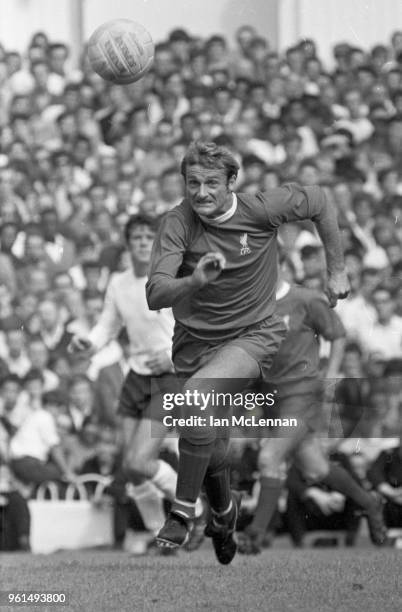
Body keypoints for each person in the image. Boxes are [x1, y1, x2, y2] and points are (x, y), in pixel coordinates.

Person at [146, 141, 350, 564]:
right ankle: (223, 512)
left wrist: (337, 268)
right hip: (194, 347)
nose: (200, 193)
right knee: (208, 442)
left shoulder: (260, 209)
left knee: (195, 401)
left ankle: (183, 511)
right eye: (192, 183)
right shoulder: (177, 222)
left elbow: (320, 200)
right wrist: (194, 281)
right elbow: (155, 293)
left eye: (211, 184)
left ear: (233, 182)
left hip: (253, 336)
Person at [68, 214, 202, 550]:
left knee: (139, 461)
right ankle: (163, 535)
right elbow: (107, 326)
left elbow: (198, 327)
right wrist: (89, 343)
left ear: (157, 243)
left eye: (148, 237)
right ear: (128, 244)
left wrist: (174, 356)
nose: (142, 242)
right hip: (136, 377)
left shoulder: (172, 278)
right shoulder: (118, 282)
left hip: (170, 377)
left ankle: (196, 510)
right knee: (130, 466)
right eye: (136, 237)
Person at [238, 253, 387, 554]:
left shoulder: (306, 300)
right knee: (316, 469)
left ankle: (255, 534)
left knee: (269, 458)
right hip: (273, 400)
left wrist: (330, 377)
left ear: (277, 263)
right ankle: (371, 504)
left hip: (303, 395)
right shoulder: (252, 307)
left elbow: (339, 335)